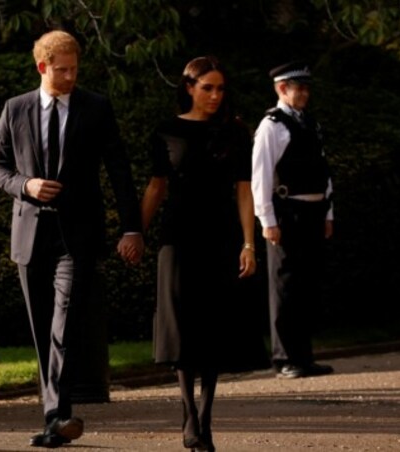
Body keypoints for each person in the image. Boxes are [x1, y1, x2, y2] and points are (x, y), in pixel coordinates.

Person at [0, 29, 144, 449]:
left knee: (65, 321)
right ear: (43, 67)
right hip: (30, 233)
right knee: (42, 328)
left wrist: (132, 227)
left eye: (75, 68)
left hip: (77, 236)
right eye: (63, 70)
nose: (71, 76)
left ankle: (58, 414)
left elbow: (119, 169)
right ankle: (52, 418)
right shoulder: (15, 108)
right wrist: (26, 185)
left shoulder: (95, 107)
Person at [140, 56, 257, 452]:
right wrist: (134, 232)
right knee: (181, 329)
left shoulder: (235, 132)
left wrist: (248, 242)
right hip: (178, 237)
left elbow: (245, 190)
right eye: (207, 87)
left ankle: (204, 419)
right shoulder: (166, 131)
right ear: (188, 87)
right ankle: (188, 413)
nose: (215, 95)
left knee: (213, 330)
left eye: (220, 88)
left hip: (221, 236)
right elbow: (156, 187)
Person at [251, 60, 335, 379]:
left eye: (306, 88)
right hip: (287, 213)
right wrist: (266, 220)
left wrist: (328, 211)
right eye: (298, 88)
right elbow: (260, 176)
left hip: (313, 211)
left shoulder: (310, 124)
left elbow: (323, 171)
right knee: (284, 285)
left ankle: (304, 356)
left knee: (307, 285)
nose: (304, 93)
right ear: (281, 89)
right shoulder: (271, 126)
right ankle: (284, 357)